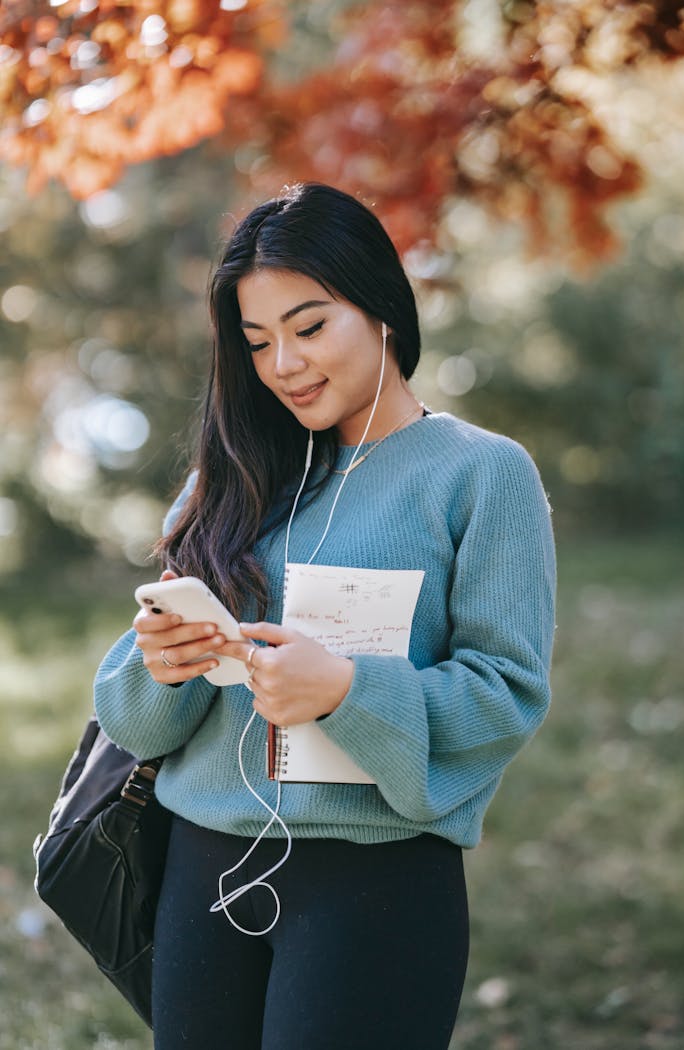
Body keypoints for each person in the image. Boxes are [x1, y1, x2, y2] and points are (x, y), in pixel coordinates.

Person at [94, 182, 556, 1050]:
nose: (284, 365)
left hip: (377, 884)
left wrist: (347, 690)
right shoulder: (229, 479)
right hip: (204, 869)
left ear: (381, 306)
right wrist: (159, 663)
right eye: (258, 341)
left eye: (309, 328)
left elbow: (506, 697)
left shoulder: (482, 475)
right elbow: (133, 725)